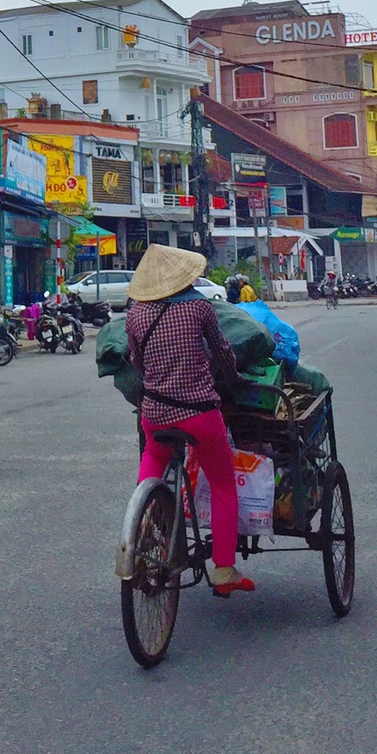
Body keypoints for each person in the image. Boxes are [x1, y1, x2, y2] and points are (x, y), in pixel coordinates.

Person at [125, 244, 255, 598]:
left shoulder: (135, 314)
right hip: (199, 413)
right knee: (223, 483)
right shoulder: (199, 307)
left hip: (155, 413)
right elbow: (223, 353)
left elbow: (136, 362)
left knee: (153, 455)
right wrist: (234, 380)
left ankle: (144, 522)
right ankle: (225, 569)